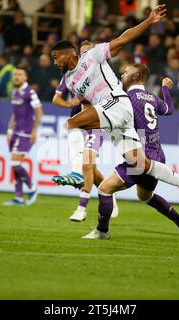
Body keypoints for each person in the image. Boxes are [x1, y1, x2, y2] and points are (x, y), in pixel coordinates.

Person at [50, 4, 179, 238]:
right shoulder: (70, 81)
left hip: (116, 103)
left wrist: (148, 21)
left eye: (56, 57)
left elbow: (123, 38)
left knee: (71, 124)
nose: (54, 62)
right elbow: (86, 104)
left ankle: (76, 173)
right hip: (110, 117)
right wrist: (84, 114)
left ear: (68, 53)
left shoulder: (91, 56)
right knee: (141, 165)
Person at [83, 63, 179, 242]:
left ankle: (102, 232)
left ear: (136, 76)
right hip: (157, 154)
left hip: (140, 157)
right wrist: (166, 88)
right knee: (145, 196)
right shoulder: (151, 97)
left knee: (104, 189)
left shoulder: (127, 98)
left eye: (126, 72)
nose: (122, 74)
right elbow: (169, 109)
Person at [52, 41, 118, 222]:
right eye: (83, 53)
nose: (85, 57)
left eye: (89, 53)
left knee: (86, 165)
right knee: (91, 168)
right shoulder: (69, 76)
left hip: (97, 120)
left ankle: (81, 207)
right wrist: (70, 103)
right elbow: (56, 98)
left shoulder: (100, 72)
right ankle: (108, 193)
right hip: (80, 121)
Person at [3, 66, 43, 206]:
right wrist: (9, 131)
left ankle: (32, 188)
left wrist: (34, 130)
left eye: (20, 74)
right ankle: (18, 197)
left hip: (26, 132)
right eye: (15, 74)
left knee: (15, 163)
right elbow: (15, 113)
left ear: (25, 78)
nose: (17, 77)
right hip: (16, 131)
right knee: (15, 165)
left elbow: (39, 112)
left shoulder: (30, 92)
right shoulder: (14, 91)